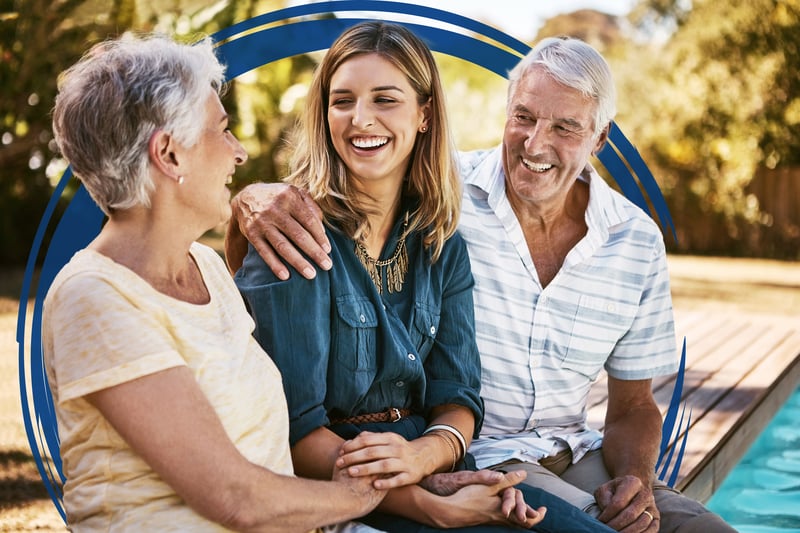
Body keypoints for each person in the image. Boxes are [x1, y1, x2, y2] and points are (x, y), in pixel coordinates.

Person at [226, 35, 737, 533]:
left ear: (599, 139)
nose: (536, 143)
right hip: (477, 456)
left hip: (564, 450)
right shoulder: (443, 199)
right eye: (524, 117)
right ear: (506, 112)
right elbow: (294, 422)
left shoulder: (629, 240)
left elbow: (632, 405)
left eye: (565, 127)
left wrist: (635, 482)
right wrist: (248, 198)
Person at [43, 32, 388, 532]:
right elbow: (235, 498)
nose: (239, 152)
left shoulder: (206, 268)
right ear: (169, 154)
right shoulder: (93, 297)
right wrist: (359, 495)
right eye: (221, 131)